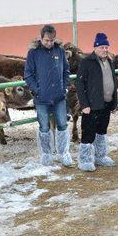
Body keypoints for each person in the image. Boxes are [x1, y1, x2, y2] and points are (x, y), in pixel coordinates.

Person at [24, 24, 73, 167]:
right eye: (46, 40)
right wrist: (36, 90)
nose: (49, 43)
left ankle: (63, 153)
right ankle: (46, 154)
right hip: (41, 98)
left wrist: (64, 88)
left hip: (59, 97)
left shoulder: (60, 50)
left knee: (62, 124)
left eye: (51, 40)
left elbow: (66, 71)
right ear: (41, 38)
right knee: (44, 127)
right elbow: (28, 74)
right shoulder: (33, 53)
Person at [76, 33, 118, 172]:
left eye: (106, 47)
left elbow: (112, 82)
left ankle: (100, 156)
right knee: (89, 132)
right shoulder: (86, 62)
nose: (105, 49)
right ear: (95, 47)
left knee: (102, 131)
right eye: (102, 47)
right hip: (92, 105)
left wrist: (114, 103)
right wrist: (84, 105)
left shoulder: (110, 61)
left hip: (106, 103)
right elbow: (80, 85)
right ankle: (85, 160)